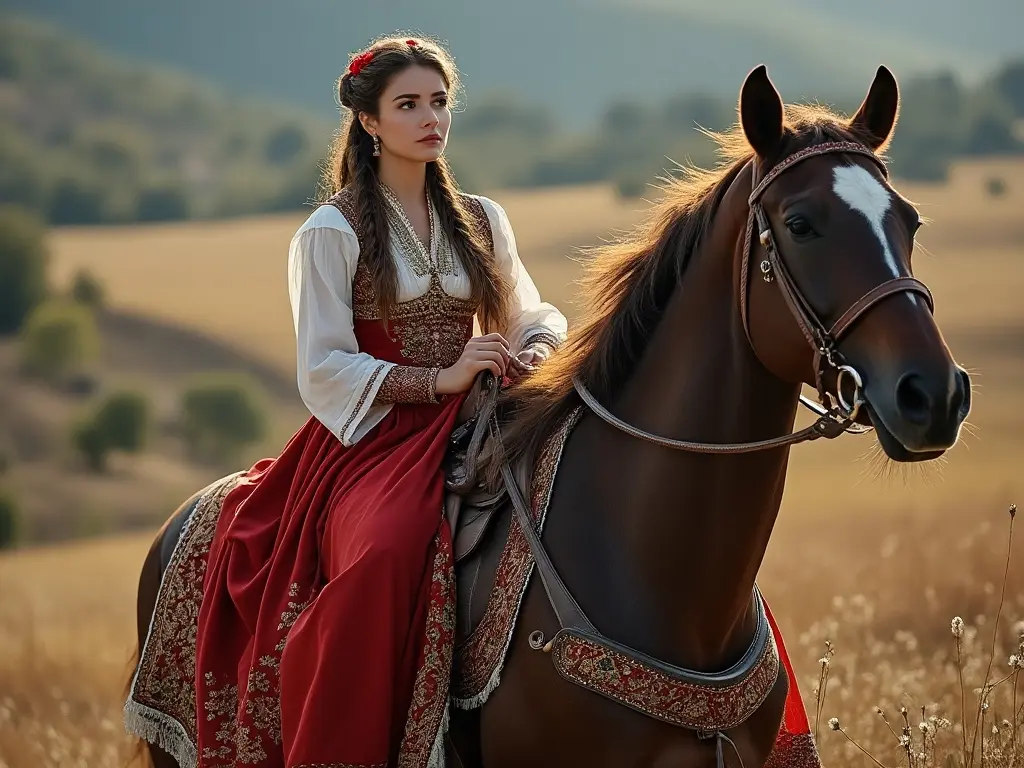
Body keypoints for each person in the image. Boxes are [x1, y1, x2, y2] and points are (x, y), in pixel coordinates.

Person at [191, 35, 567, 768]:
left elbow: (531, 311)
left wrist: (534, 350)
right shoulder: (331, 230)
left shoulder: (483, 218)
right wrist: (435, 380)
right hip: (378, 435)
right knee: (386, 550)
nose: (431, 119)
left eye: (439, 102)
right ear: (370, 122)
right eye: (409, 105)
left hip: (488, 406)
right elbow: (324, 366)